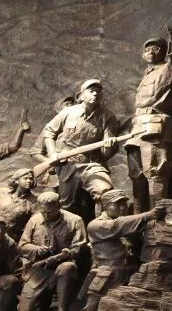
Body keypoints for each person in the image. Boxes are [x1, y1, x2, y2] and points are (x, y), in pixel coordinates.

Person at [79, 191, 167, 311]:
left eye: (124, 204)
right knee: (91, 310)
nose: (123, 207)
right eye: (118, 204)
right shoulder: (96, 225)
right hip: (108, 272)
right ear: (105, 206)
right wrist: (147, 215)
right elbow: (117, 226)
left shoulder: (129, 223)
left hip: (130, 271)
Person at [40, 79, 121, 226]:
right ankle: (70, 236)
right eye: (91, 91)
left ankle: (102, 230)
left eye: (98, 91)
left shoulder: (108, 117)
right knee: (68, 206)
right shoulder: (68, 112)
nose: (95, 94)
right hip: (68, 165)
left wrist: (109, 146)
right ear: (81, 95)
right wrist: (52, 153)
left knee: (106, 193)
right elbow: (48, 131)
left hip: (92, 164)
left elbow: (105, 154)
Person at [126, 29, 172, 213]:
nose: (150, 52)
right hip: (137, 127)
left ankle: (157, 219)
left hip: (155, 125)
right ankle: (137, 219)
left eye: (156, 48)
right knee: (136, 174)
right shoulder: (147, 74)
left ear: (164, 51)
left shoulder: (167, 69)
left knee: (156, 172)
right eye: (147, 49)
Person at [17, 191, 87, 311]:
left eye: (49, 212)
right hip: (40, 270)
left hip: (63, 268)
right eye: (43, 212)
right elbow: (22, 246)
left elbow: (80, 246)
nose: (46, 215)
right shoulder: (34, 220)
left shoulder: (75, 220)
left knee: (67, 267)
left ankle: (62, 310)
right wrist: (36, 249)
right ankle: (43, 299)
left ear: (59, 206)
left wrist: (69, 252)